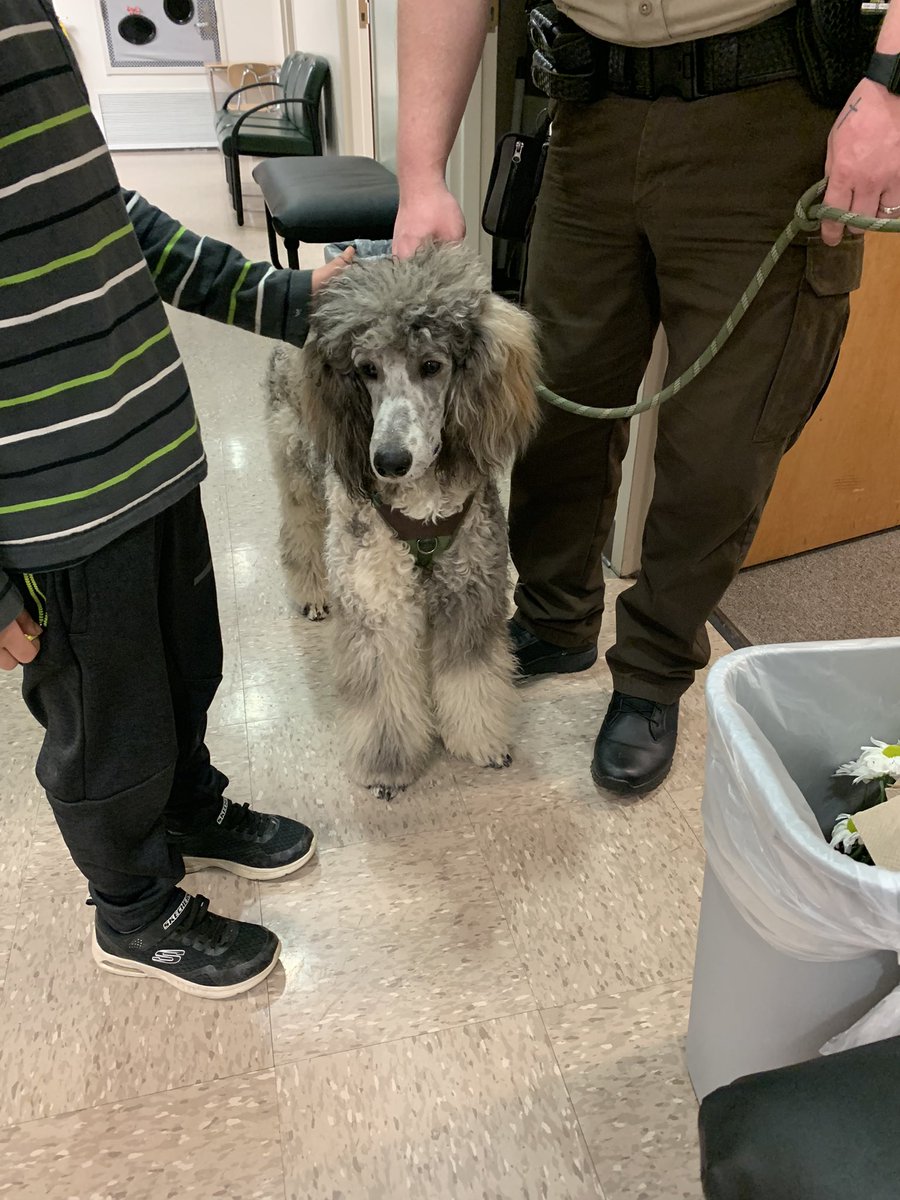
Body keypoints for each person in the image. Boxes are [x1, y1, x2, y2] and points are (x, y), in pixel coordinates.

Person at [393, 0, 900, 795]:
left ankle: (654, 671)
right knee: (552, 411)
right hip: (589, 110)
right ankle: (557, 619)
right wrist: (421, 172)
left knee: (722, 446)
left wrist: (892, 88)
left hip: (771, 109)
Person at [0, 1, 353, 998]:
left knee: (185, 664)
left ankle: (189, 807)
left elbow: (102, 215)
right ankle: (132, 908)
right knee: (110, 727)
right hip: (52, 498)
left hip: (151, 443)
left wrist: (285, 300)